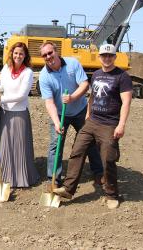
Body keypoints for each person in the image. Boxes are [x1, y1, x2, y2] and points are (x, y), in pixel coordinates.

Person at [53, 44, 132, 209]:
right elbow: (92, 97)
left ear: (114, 57)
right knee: (77, 151)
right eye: (104, 55)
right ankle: (68, 189)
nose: (107, 58)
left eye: (110, 55)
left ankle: (111, 194)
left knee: (108, 159)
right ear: (100, 57)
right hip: (92, 122)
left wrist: (121, 125)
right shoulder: (96, 74)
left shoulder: (122, 76)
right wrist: (88, 115)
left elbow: (126, 102)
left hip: (109, 124)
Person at [38, 41, 103, 189]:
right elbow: (49, 103)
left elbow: (85, 84)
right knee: (56, 144)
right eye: (44, 55)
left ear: (56, 51)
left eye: (50, 53)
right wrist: (56, 122)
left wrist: (72, 98)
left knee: (90, 141)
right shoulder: (44, 76)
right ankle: (53, 179)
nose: (48, 57)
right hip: (60, 113)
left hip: (80, 110)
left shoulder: (73, 63)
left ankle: (98, 172)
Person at [0, 42, 39, 187]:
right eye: (16, 53)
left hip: (19, 114)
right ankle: (5, 176)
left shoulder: (28, 72)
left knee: (19, 147)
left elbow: (22, 95)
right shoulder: (6, 68)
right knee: (5, 145)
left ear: (25, 56)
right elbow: (3, 87)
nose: (18, 56)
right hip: (4, 112)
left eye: (21, 54)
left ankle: (21, 178)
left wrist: (1, 99)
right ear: (12, 53)